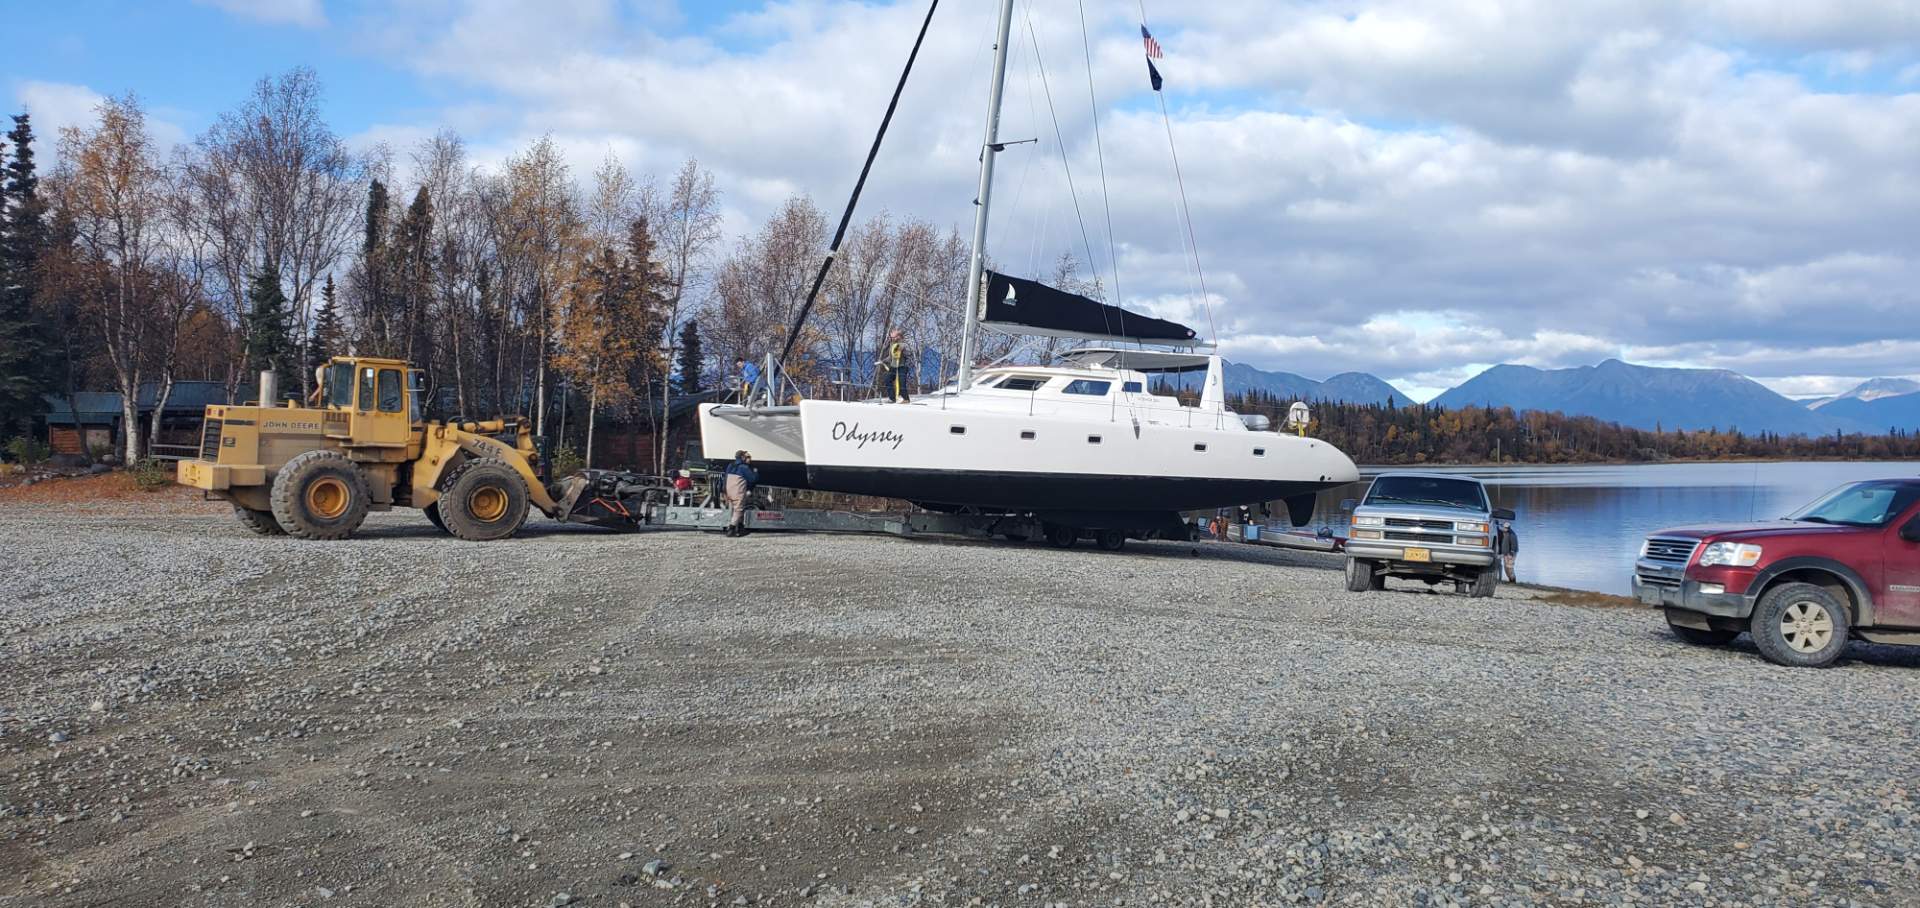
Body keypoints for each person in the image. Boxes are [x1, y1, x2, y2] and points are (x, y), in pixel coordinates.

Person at [722, 450, 758, 537]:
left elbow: (725, 478)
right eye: (748, 457)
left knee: (734, 510)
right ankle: (731, 529)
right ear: (742, 457)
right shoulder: (744, 467)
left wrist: (723, 491)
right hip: (738, 491)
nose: (750, 459)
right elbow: (753, 479)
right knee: (739, 510)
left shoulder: (730, 465)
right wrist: (755, 471)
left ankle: (740, 528)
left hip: (728, 490)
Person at [874, 330, 911, 403]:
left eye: (893, 337)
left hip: (902, 366)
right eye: (891, 337)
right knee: (888, 380)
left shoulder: (904, 345)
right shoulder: (892, 345)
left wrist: (902, 351)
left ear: (898, 336)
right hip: (893, 366)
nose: (892, 339)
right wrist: (883, 361)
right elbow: (891, 357)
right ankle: (892, 398)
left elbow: (909, 354)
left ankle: (906, 399)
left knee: (901, 383)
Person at [1496, 517, 1519, 583]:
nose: (1505, 528)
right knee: (1506, 568)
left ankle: (1513, 581)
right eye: (1504, 527)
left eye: (1507, 528)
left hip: (1511, 553)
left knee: (1509, 567)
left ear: (1509, 528)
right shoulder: (1503, 533)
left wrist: (1511, 552)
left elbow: (1514, 545)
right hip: (1505, 553)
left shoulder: (1512, 534)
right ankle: (1510, 580)